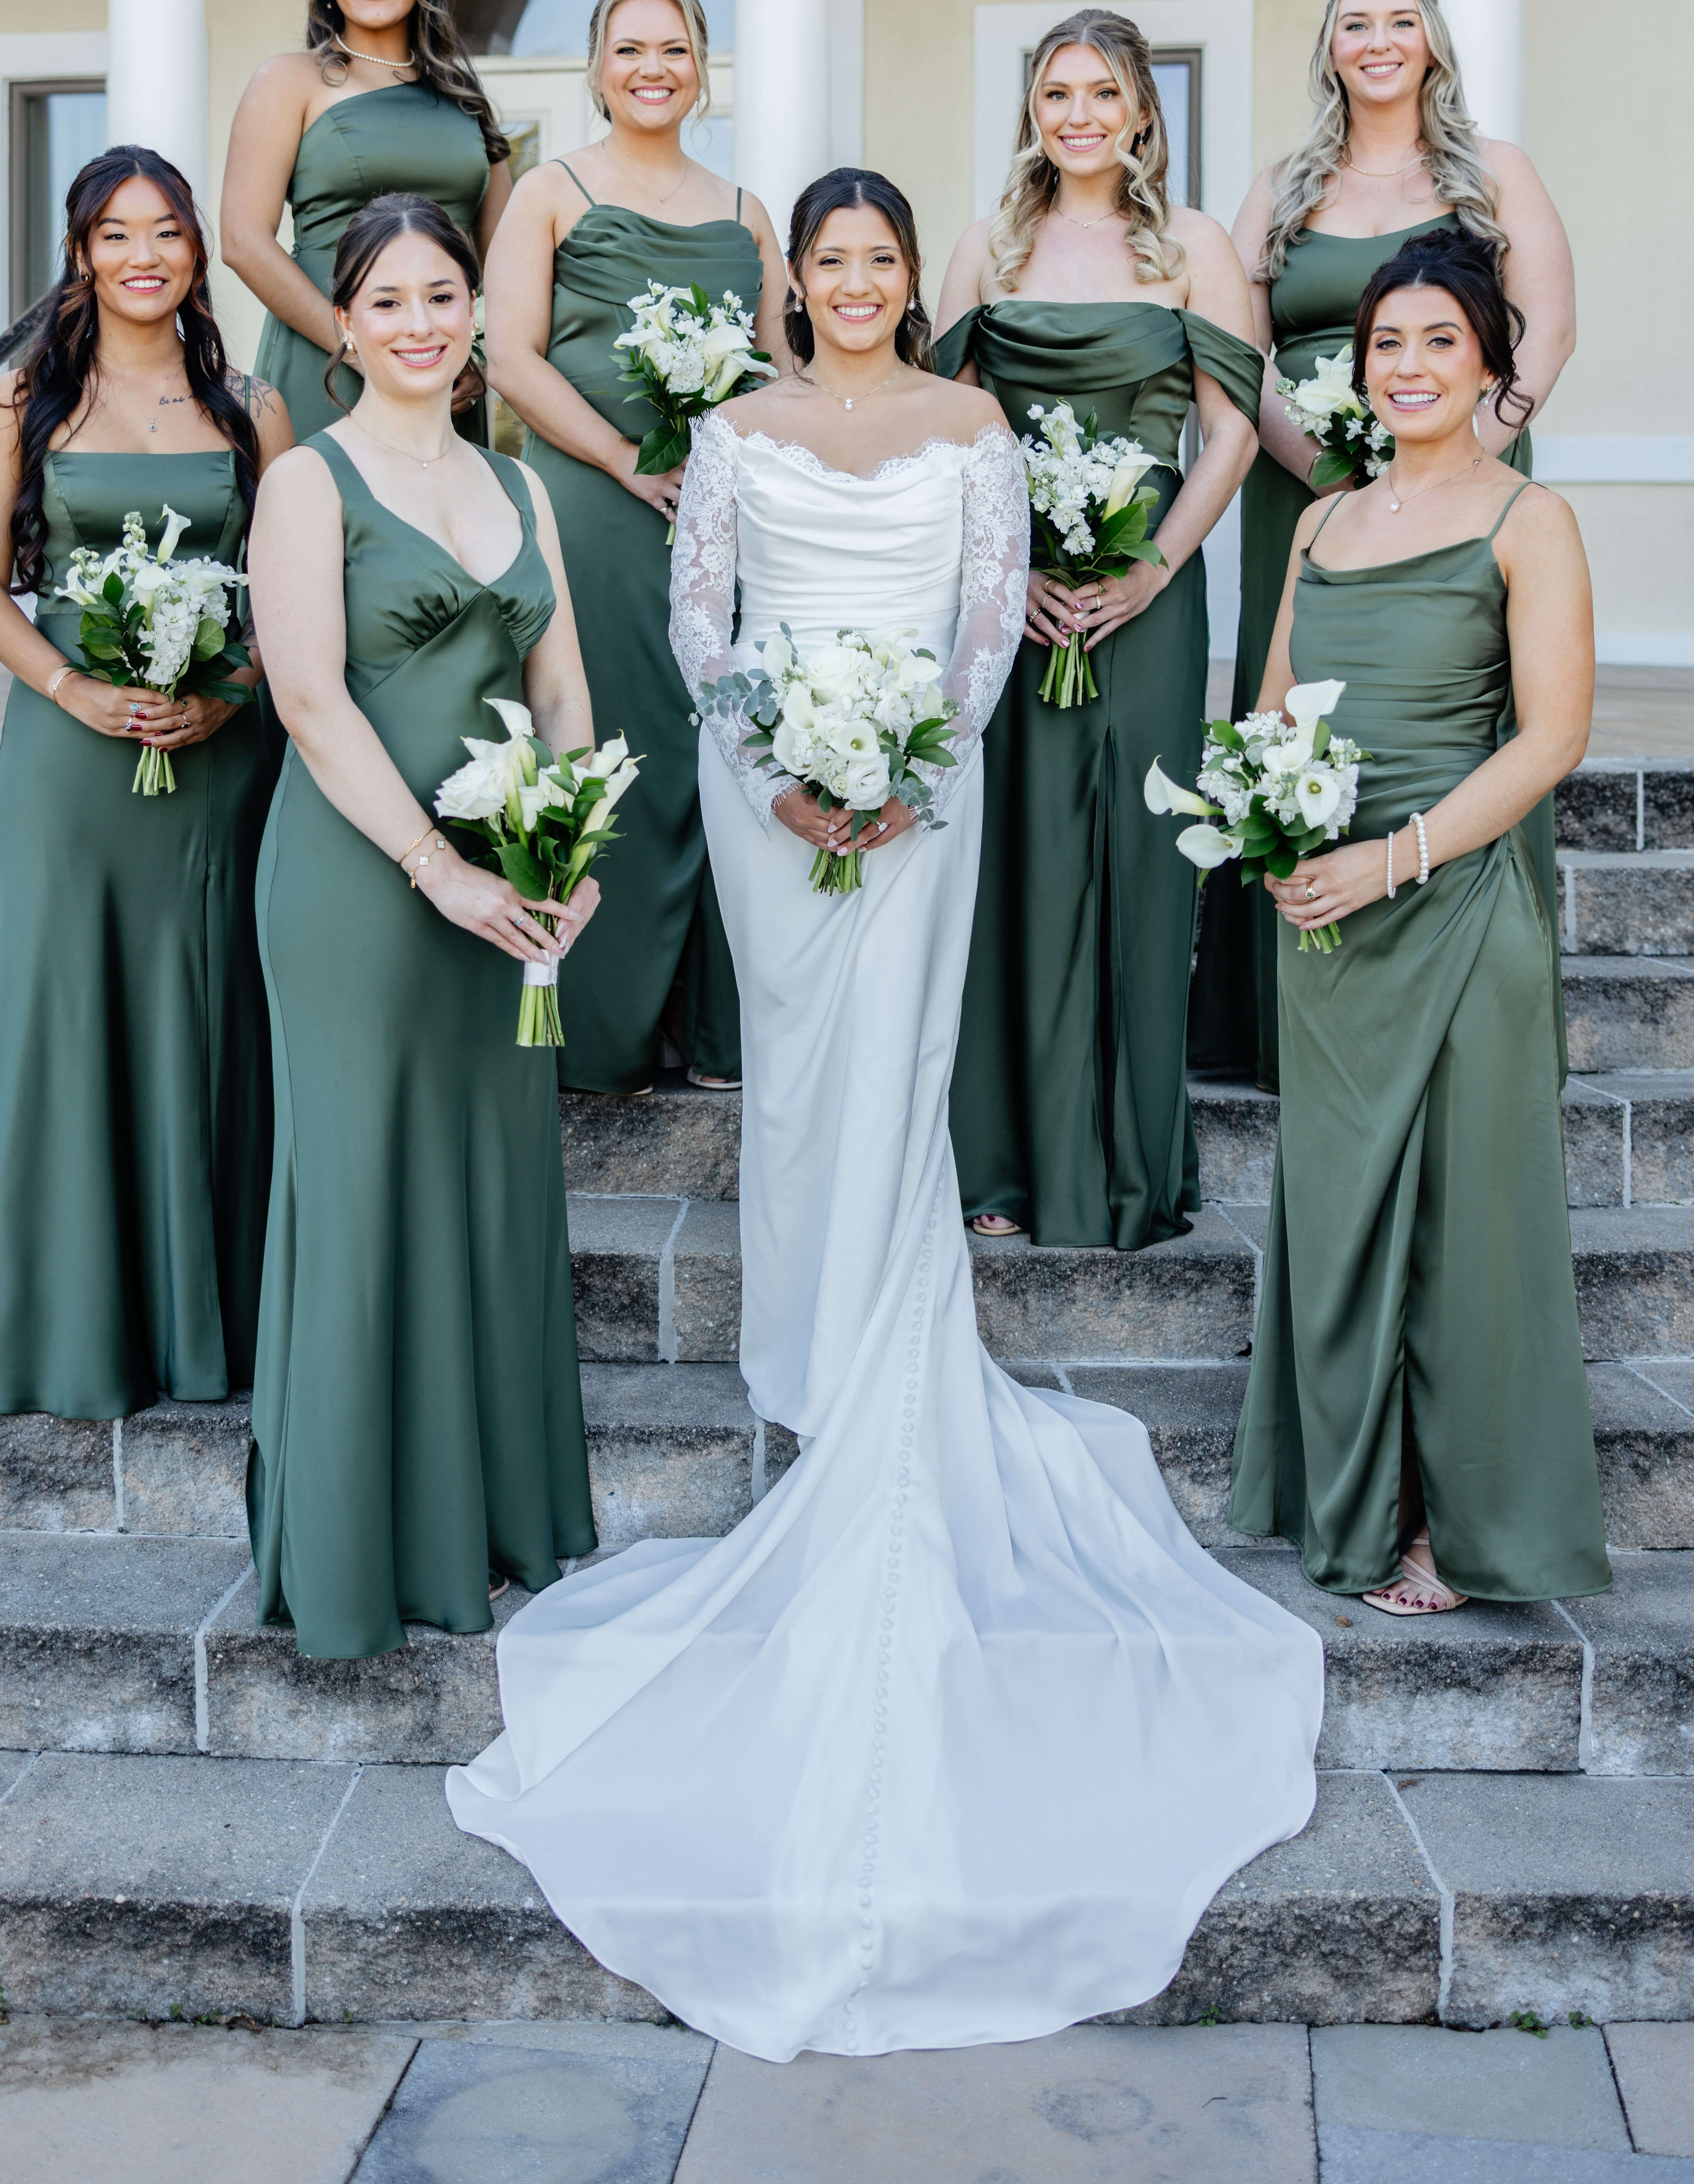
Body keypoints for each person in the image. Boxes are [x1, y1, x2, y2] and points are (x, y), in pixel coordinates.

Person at [447, 171, 1323, 2061]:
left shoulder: (972, 422)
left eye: (877, 259)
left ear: (911, 280)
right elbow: (700, 628)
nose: (854, 282)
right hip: (774, 794)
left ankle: (882, 1341)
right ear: (799, 285)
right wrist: (784, 762)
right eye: (828, 260)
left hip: (925, 792)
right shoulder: (738, 428)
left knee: (902, 1063)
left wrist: (905, 761)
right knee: (802, 1068)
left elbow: (991, 626)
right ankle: (799, 1340)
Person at [1230, 225, 1609, 1615]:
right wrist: (1267, 833)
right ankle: (1347, 1501)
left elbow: (1549, 740)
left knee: (1465, 1233)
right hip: (1322, 915)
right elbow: (1270, 711)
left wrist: (1389, 859)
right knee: (1340, 1222)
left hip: (1450, 908)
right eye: (1383, 342)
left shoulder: (1529, 520)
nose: (1404, 365)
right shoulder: (1324, 521)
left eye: (1438, 341)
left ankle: (1462, 1528)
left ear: (1492, 364)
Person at [245, 192, 599, 1656]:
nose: (417, 322)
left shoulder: (523, 489)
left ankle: (492, 1524)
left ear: (472, 317)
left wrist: (570, 846)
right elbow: (310, 700)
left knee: (487, 1192)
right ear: (342, 322)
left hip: (502, 880)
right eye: (385, 299)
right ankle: (351, 1559)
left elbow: (566, 688)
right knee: (366, 1192)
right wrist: (429, 867)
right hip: (358, 883)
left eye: (440, 295)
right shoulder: (309, 485)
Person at [1188, 0, 1575, 1093]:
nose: (1377, 42)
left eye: (1399, 20)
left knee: (1467, 711)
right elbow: (1238, 344)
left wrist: (1459, 457)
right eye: (1354, 24)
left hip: (1468, 473)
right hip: (1305, 491)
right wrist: (1327, 469)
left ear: (1433, 41)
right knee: (1297, 704)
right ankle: (1284, 1011)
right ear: (1329, 49)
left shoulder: (1495, 172)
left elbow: (1546, 329)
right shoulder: (1284, 187)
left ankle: (1472, 997)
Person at [0, 147, 291, 1419]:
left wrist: (229, 692)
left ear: (198, 253)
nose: (142, 256)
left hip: (217, 758)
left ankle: (214, 1327)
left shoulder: (252, 409)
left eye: (165, 233)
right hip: (69, 759)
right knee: (72, 1015)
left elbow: (293, 590)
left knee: (210, 1018)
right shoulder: (24, 399)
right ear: (80, 254)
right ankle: (70, 1334)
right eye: (114, 234)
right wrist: (73, 690)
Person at [935, 11, 1259, 1247]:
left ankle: (1130, 1167)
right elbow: (953, 431)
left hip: (1149, 605)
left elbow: (1231, 429)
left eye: (1102, 92)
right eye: (1056, 92)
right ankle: (1008, 1168)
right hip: (1012, 605)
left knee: (1138, 862)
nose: (1078, 114)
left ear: (1140, 113)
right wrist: (1003, 571)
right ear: (1034, 111)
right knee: (1018, 862)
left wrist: (1157, 567)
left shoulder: (1193, 248)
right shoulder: (988, 247)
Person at [482, 0, 785, 1098]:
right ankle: (598, 1023)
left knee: (713, 743)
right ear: (598, 69)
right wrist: (626, 463)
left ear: (703, 70)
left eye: (675, 50)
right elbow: (508, 355)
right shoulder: (552, 192)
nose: (652, 69)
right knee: (603, 742)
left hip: (717, 524)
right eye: (630, 48)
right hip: (589, 515)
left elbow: (778, 371)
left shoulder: (749, 211)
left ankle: (708, 1026)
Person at [221, 0, 510, 444]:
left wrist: (471, 352)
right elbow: (242, 241)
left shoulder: (465, 99)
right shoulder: (290, 80)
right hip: (327, 364)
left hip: (440, 367)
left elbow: (502, 263)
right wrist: (354, 345)